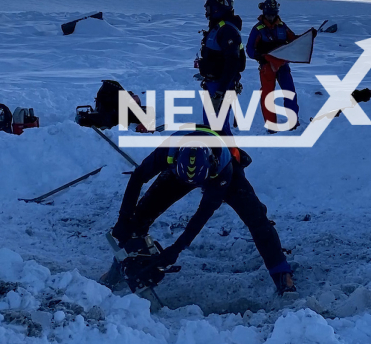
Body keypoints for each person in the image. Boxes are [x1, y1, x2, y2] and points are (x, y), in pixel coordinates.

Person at [109, 127, 296, 296]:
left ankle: (281, 273)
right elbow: (138, 177)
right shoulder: (169, 150)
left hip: (221, 175)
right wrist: (123, 217)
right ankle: (122, 265)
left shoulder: (223, 167)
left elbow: (203, 213)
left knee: (256, 219)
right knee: (137, 219)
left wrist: (177, 248)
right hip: (178, 175)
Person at [198, 0, 246, 135]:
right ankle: (216, 157)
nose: (206, 8)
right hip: (215, 84)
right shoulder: (218, 27)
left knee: (218, 129)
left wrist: (220, 92)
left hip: (220, 86)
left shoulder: (227, 30)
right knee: (212, 128)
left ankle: (227, 158)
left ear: (219, 6)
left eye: (209, 5)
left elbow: (233, 62)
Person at [246, 0, 300, 131]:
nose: (271, 17)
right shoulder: (257, 29)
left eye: (273, 14)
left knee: (290, 92)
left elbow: (294, 40)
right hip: (267, 67)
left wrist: (307, 38)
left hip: (283, 65)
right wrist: (259, 56)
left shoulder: (282, 26)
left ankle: (293, 122)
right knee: (268, 95)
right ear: (264, 13)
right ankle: (271, 125)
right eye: (269, 14)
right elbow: (249, 49)